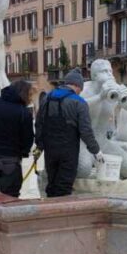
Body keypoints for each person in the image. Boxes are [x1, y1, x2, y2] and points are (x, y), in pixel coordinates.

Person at [35, 68, 103, 198]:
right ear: (77, 85)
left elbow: (39, 124)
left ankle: (50, 212)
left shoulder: (46, 98)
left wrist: (39, 146)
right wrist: (96, 150)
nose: (80, 92)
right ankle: (61, 215)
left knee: (52, 183)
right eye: (80, 89)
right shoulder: (79, 102)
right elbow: (85, 131)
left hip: (50, 150)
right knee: (64, 187)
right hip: (68, 151)